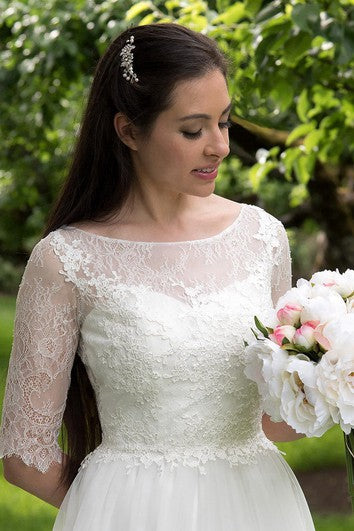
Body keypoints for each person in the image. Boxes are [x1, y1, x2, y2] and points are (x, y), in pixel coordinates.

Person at [0, 23, 315, 530]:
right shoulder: (66, 260)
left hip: (259, 508)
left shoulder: (262, 237)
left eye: (225, 122)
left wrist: (328, 381)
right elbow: (23, 454)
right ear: (128, 131)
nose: (220, 147)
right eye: (193, 130)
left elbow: (277, 418)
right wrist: (120, 510)